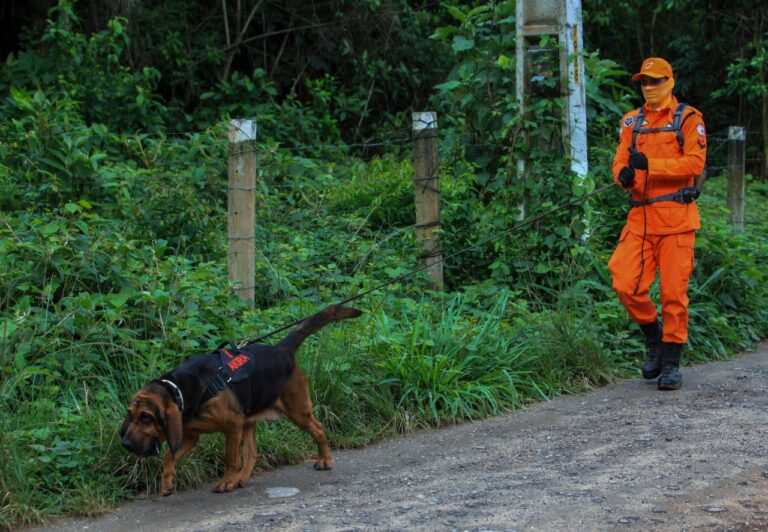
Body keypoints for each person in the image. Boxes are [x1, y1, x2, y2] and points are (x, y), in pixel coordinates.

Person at [608, 57, 707, 390]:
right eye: (644, 83)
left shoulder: (689, 120)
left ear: (669, 82)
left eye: (654, 81)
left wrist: (650, 163)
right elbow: (621, 160)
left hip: (677, 220)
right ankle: (654, 337)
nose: (648, 88)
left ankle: (671, 362)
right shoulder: (631, 123)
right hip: (640, 220)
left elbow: (695, 162)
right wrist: (622, 176)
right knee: (625, 283)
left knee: (673, 294)